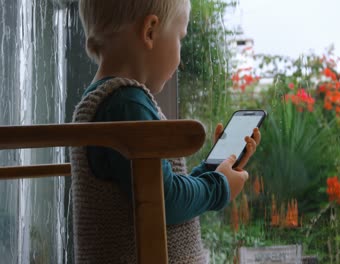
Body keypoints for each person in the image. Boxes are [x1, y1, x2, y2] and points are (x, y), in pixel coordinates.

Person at [72, 0, 261, 263]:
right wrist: (218, 187)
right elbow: (164, 201)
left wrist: (211, 171)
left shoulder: (106, 101)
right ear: (150, 31)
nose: (180, 56)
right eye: (180, 38)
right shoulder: (126, 104)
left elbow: (158, 186)